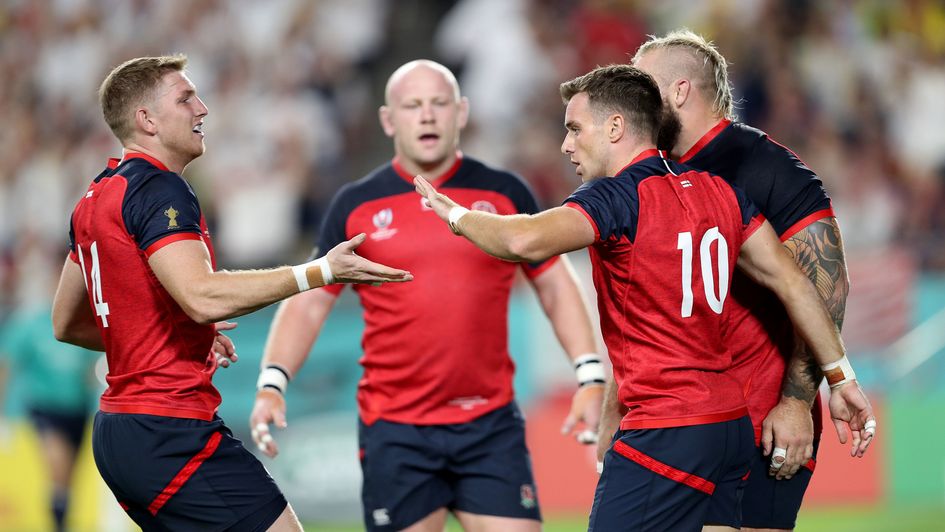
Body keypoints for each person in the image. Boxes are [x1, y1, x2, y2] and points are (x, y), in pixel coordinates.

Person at [414, 64, 876, 532]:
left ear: (615, 127)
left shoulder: (615, 199)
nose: (565, 145)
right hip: (730, 427)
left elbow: (524, 241)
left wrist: (455, 213)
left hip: (666, 428)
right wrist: (841, 378)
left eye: (574, 128)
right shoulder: (720, 193)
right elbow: (795, 281)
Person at [51, 54, 412, 532]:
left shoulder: (94, 199)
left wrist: (173, 331)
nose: (202, 108)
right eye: (185, 98)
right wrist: (320, 271)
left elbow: (69, 322)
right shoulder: (159, 189)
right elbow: (202, 296)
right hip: (169, 429)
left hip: (118, 433)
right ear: (147, 120)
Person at [248, 59, 603, 532]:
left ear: (461, 112)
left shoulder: (503, 192)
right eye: (412, 105)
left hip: (490, 425)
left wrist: (589, 372)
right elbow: (311, 300)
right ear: (388, 120)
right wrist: (273, 382)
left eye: (438, 103)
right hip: (396, 431)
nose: (427, 115)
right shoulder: (355, 204)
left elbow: (555, 282)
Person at [605, 29, 857, 531]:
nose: (632, 97)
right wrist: (618, 403)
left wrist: (795, 401)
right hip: (679, 422)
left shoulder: (762, 164)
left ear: (679, 91)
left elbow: (827, 283)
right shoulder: (653, 176)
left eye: (643, 83)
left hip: (761, 418)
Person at [0, 299, 100, 531]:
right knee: (58, 462)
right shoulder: (32, 324)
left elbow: (92, 367)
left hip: (77, 408)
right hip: (45, 407)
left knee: (67, 478)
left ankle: (59, 515)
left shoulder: (83, 322)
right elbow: (8, 363)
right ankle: (58, 521)